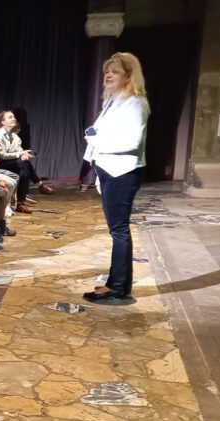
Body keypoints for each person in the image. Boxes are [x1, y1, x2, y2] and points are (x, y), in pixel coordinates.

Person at [82, 52, 150, 303]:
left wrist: (96, 140)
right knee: (116, 230)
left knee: (119, 231)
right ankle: (114, 283)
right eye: (107, 71)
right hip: (109, 170)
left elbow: (132, 142)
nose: (108, 75)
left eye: (115, 71)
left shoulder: (135, 103)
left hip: (122, 172)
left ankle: (119, 289)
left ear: (129, 76)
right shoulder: (113, 101)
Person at [0, 110, 53, 214]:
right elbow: (1, 155)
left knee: (24, 166)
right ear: (3, 122)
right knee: (23, 164)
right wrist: (20, 154)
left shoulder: (15, 136)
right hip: (0, 164)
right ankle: (38, 187)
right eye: (10, 117)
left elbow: (20, 151)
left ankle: (21, 203)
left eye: (14, 117)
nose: (13, 119)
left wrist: (24, 155)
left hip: (13, 163)